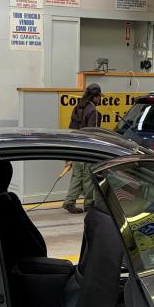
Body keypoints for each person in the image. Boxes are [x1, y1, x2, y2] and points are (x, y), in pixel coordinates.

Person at [62, 83, 102, 213]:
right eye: (99, 96)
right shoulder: (93, 112)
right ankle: (89, 204)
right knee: (88, 177)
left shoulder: (77, 107)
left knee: (77, 176)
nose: (100, 99)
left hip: (75, 147)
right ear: (95, 97)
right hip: (86, 149)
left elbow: (71, 128)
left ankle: (69, 201)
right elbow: (93, 134)